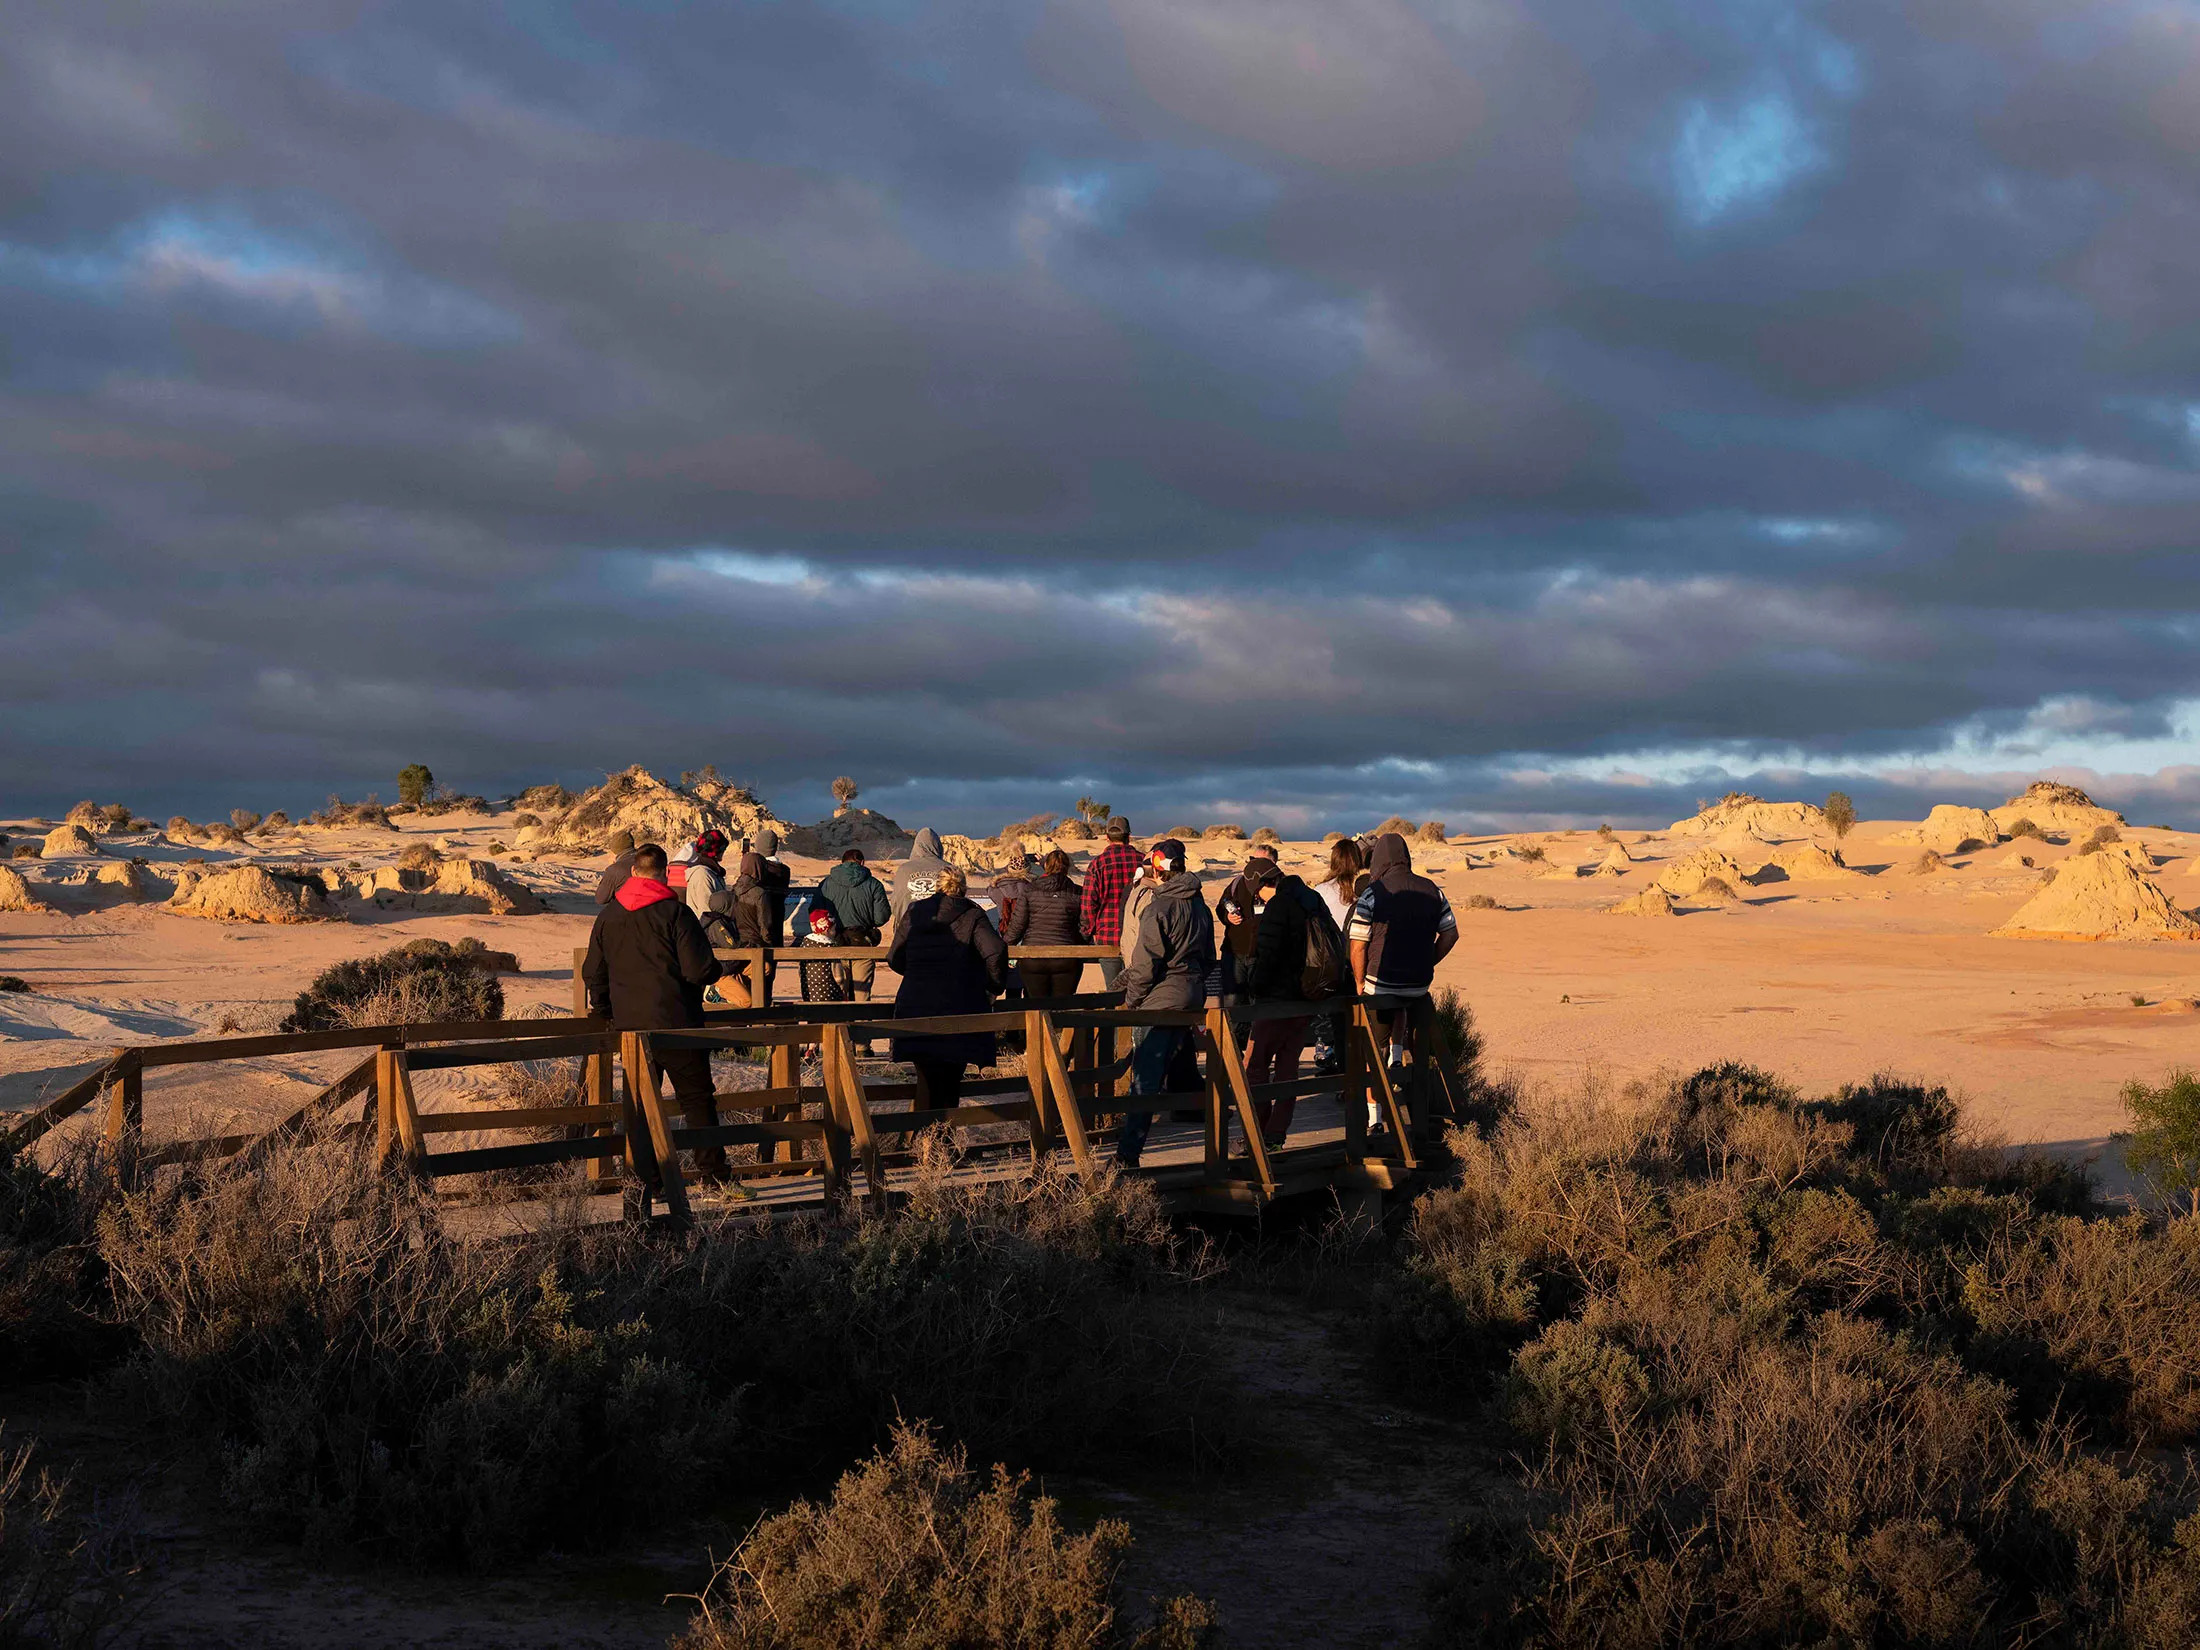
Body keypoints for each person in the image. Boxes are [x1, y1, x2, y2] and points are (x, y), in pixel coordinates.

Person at [581, 843, 748, 1197]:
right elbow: (698, 969)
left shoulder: (609, 916)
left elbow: (593, 971)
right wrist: (719, 969)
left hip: (631, 1028)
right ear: (663, 874)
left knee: (640, 1105)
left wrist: (604, 1010)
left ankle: (647, 1182)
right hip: (677, 1022)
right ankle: (715, 1179)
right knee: (698, 1101)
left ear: (633, 873)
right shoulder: (676, 913)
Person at [1346, 831, 1460, 1136]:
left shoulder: (1374, 892)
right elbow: (1450, 934)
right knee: (1413, 1038)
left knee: (1373, 1052)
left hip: (1379, 983)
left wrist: (1359, 981)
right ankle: (1399, 1055)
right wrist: (1428, 962)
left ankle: (1375, 1119)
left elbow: (1357, 943)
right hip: (1418, 986)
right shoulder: (1432, 889)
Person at [1115, 838, 1214, 1169]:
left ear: (1155, 868)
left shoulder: (1158, 908)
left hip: (1161, 999)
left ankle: (1127, 1155)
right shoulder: (1200, 906)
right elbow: (1209, 958)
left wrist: (1132, 1000)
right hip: (1191, 995)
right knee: (1178, 1069)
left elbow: (1146, 964)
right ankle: (1213, 1147)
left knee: (1144, 1080)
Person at [888, 865, 1008, 1120]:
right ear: (962, 887)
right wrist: (993, 985)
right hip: (959, 1004)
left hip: (916, 1004)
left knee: (926, 1077)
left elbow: (895, 956)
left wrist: (916, 975)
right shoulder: (972, 914)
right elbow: (995, 950)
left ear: (937, 886)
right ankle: (942, 1142)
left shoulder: (916, 911)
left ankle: (925, 1142)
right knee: (951, 1077)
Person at [1241, 860, 1324, 1150]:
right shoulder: (1312, 898)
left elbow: (1269, 956)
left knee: (1255, 1067)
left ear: (1261, 885)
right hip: (1308, 996)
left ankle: (1257, 1135)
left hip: (1276, 1000)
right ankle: (1275, 1134)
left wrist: (1254, 986)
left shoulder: (1278, 906)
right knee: (1288, 1070)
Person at [1312, 837, 1366, 1075]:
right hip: (1361, 961)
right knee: (1358, 1025)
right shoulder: (1365, 888)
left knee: (1337, 1022)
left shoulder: (1321, 891)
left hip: (1331, 964)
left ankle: (1342, 1074)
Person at [1005, 848, 1085, 1001]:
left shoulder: (1029, 890)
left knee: (1037, 1006)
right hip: (1066, 956)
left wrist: (1005, 946)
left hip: (1033, 956)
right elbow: (1084, 925)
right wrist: (1080, 944)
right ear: (1067, 868)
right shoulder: (1077, 892)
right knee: (1063, 1007)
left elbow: (1017, 926)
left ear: (1046, 866)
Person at [815, 848, 892, 1003]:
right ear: (862, 863)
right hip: (862, 942)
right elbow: (881, 917)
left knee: (836, 994)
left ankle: (839, 1026)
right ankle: (861, 1025)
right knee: (862, 997)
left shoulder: (825, 884)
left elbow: (815, 913)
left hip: (834, 943)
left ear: (841, 863)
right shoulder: (874, 884)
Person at [1080, 816, 1142, 988]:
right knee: (1139, 990)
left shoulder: (1098, 863)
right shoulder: (1143, 862)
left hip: (1108, 935)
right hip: (1139, 934)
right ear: (1128, 836)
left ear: (1107, 837)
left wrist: (1087, 932)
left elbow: (1088, 905)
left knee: (1113, 990)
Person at [1216, 847, 1280, 1006]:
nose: (1254, 867)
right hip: (1234, 952)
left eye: (1261, 862)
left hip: (1262, 955)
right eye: (1252, 860)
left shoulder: (1279, 888)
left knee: (1258, 1004)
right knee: (1232, 1001)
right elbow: (1222, 905)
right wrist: (1228, 916)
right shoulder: (1238, 882)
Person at [681, 829, 737, 944]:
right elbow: (706, 913)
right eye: (722, 849)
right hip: (707, 938)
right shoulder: (703, 875)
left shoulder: (712, 872)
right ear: (716, 851)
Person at [889, 826, 952, 925]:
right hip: (944, 932)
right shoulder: (950, 869)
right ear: (938, 846)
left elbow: (896, 904)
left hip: (909, 931)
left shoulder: (904, 870)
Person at [594, 829, 638, 905]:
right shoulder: (646, 860)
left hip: (626, 911)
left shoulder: (614, 869)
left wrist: (612, 868)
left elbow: (601, 898)